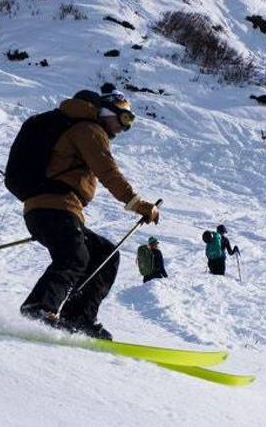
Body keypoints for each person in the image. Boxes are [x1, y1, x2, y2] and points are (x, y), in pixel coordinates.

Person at [18, 89, 160, 340]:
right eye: (125, 119)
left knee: (104, 254)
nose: (124, 129)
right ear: (107, 112)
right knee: (74, 256)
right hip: (54, 206)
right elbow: (108, 172)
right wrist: (139, 204)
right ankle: (39, 308)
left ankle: (78, 317)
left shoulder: (82, 128)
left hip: (51, 209)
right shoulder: (90, 130)